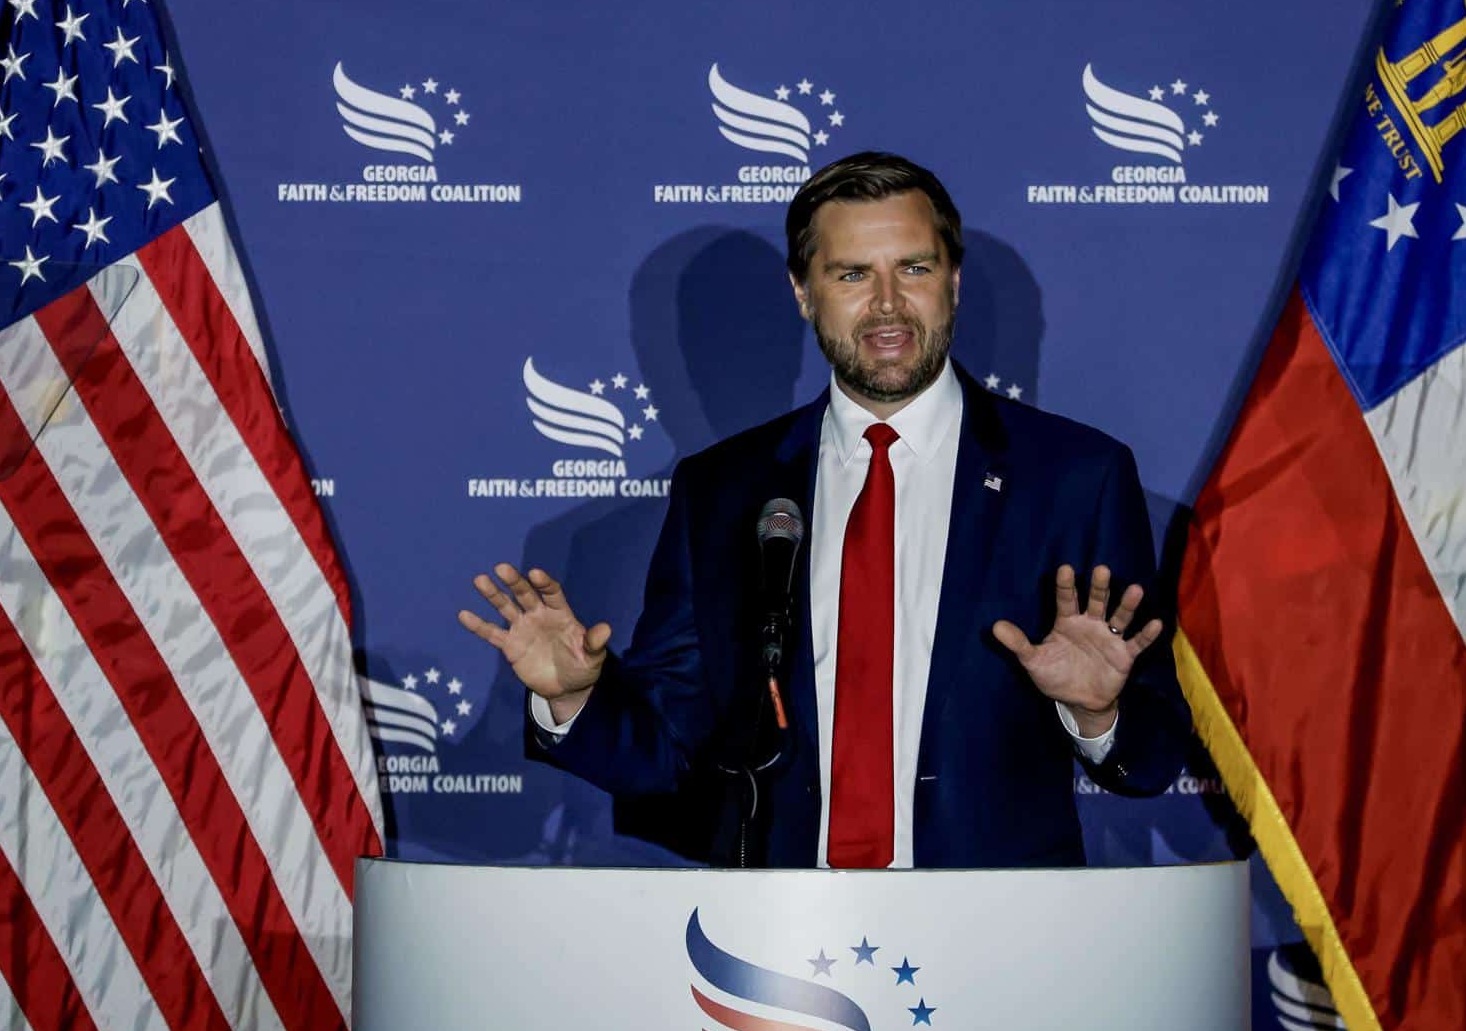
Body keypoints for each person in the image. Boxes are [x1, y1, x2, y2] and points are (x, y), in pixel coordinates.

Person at [460, 151, 1190, 868]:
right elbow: (671, 747)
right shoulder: (723, 488)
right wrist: (578, 700)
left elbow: (1151, 759)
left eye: (914, 267)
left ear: (954, 282)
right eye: (851, 275)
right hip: (784, 933)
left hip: (995, 932)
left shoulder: (1072, 476)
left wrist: (1099, 713)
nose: (887, 305)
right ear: (804, 293)